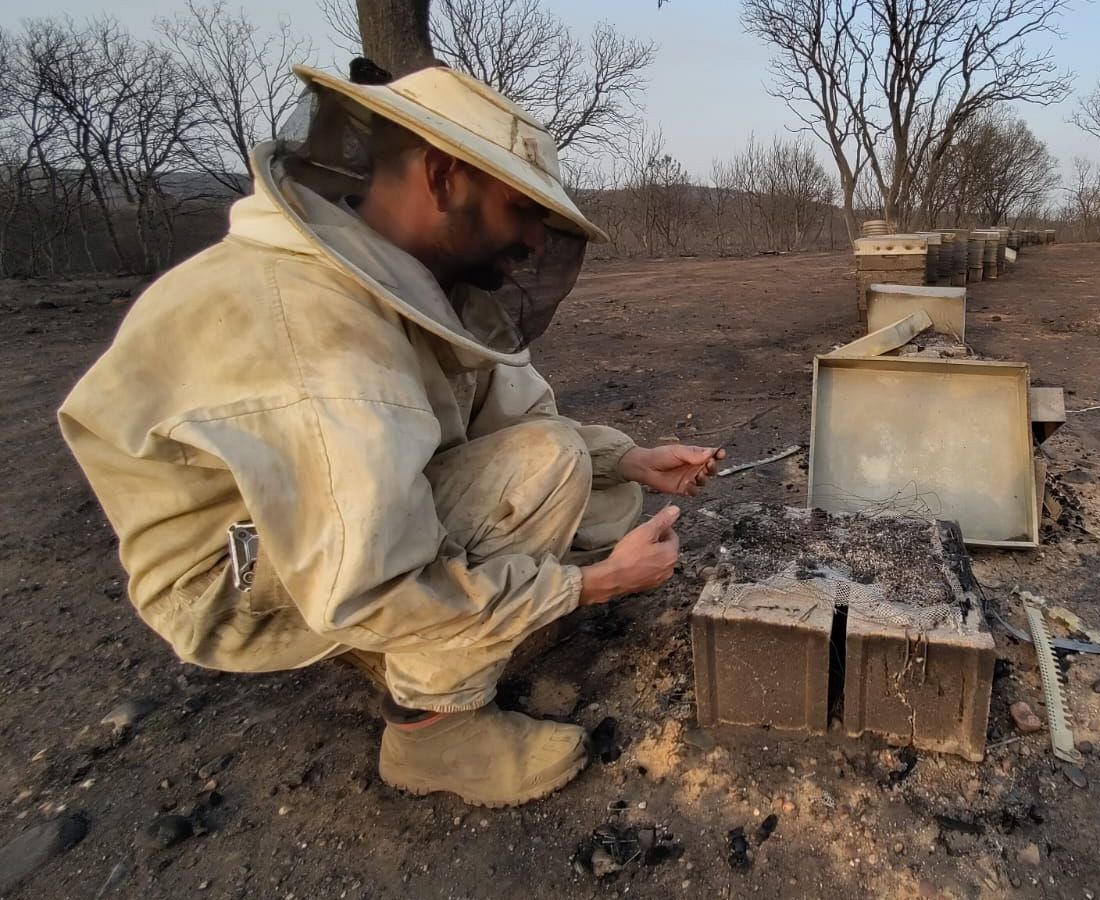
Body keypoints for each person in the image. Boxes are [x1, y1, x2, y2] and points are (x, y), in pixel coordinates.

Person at [57, 61, 724, 808]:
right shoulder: (322, 338)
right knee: (550, 476)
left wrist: (629, 458)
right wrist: (592, 586)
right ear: (442, 178)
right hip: (236, 577)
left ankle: (424, 640)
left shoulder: (399, 278)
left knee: (598, 494)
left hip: (328, 531)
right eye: (522, 210)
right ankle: (430, 730)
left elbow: (516, 415)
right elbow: (379, 582)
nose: (537, 243)